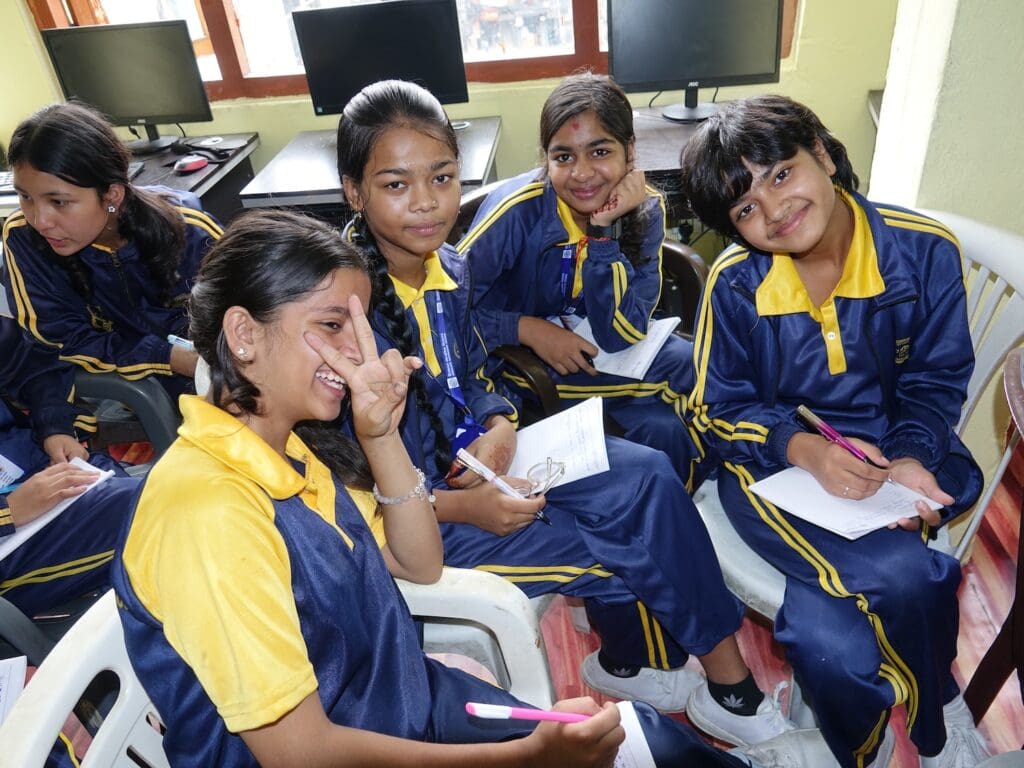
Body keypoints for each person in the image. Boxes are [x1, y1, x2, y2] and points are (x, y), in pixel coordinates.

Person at [110, 208, 823, 768]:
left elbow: (416, 562)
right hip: (355, 745)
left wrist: (383, 435)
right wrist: (524, 760)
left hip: (407, 703)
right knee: (611, 743)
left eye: (362, 327)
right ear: (243, 335)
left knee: (640, 742)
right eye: (332, 326)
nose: (360, 353)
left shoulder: (289, 449)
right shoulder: (207, 508)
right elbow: (299, 751)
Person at [335, 78, 793, 748]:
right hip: (415, 525)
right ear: (354, 192)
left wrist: (497, 427)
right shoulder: (336, 313)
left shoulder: (450, 270)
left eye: (442, 177)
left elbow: (480, 375)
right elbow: (339, 491)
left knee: (646, 478)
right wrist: (468, 507)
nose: (429, 203)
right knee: (638, 543)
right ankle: (728, 692)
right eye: (396, 185)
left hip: (478, 467)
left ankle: (657, 673)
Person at [679, 94, 991, 768]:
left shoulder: (923, 251)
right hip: (775, 471)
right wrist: (803, 447)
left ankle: (871, 736)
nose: (773, 211)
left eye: (781, 174)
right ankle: (937, 706)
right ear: (732, 229)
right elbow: (713, 411)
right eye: (744, 209)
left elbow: (936, 383)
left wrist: (908, 458)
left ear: (821, 153)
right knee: (914, 582)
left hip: (895, 454)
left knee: (831, 648)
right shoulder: (736, 285)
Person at [459, 72, 710, 491]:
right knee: (698, 371)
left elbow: (620, 335)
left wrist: (603, 234)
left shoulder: (645, 209)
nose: (583, 173)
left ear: (630, 151)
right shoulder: (518, 215)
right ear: (547, 159)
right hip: (513, 363)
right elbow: (442, 313)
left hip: (600, 350)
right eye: (563, 157)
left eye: (599, 151)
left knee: (666, 422)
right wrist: (527, 328)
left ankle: (686, 511)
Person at [3, 102, 222, 397]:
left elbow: (246, 320)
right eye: (25, 196)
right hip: (128, 394)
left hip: (213, 382)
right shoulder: (23, 238)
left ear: (112, 196)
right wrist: (168, 357)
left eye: (59, 202)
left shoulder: (191, 232)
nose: (40, 221)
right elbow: (59, 340)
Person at [0, 315, 139, 619]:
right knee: (157, 513)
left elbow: (31, 364)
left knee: (161, 504)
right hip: (11, 538)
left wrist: (54, 429)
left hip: (40, 466)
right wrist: (8, 512)